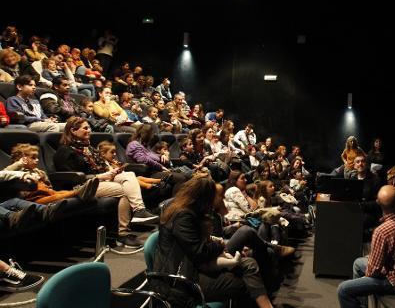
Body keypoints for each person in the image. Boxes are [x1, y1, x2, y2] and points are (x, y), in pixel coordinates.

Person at [151, 176, 275, 308]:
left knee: (249, 263)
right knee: (244, 283)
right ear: (203, 198)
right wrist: (220, 245)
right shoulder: (183, 215)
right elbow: (199, 252)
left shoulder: (188, 211)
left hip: (192, 267)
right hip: (178, 281)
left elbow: (200, 248)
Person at [53, 117, 159, 248]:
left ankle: (138, 212)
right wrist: (101, 176)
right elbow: (74, 178)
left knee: (129, 175)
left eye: (89, 127)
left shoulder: (89, 148)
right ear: (73, 131)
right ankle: (124, 233)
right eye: (85, 128)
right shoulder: (65, 151)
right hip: (83, 186)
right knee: (126, 190)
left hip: (101, 180)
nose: (89, 130)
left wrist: (111, 171)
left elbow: (102, 166)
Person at [337, 186, 395, 308]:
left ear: (378, 203)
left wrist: (374, 263)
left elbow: (373, 270)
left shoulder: (382, 231)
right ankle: (363, 304)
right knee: (358, 263)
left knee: (343, 290)